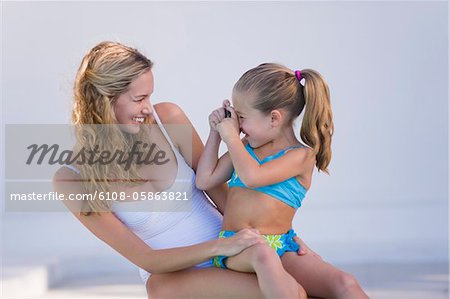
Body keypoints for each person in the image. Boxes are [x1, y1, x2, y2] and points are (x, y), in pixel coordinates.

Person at [52, 41, 365, 299]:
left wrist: (280, 238)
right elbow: (144, 258)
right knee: (294, 293)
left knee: (342, 286)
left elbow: (227, 194)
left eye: (151, 95)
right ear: (104, 101)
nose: (149, 107)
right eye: (140, 98)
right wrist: (221, 246)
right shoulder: (73, 179)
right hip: (178, 277)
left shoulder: (167, 119)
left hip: (239, 250)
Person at [196, 63, 369, 299]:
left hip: (281, 246)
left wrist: (231, 138)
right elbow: (205, 180)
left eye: (242, 118)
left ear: (274, 118)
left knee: (344, 283)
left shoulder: (301, 156)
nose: (238, 126)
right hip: (237, 246)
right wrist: (216, 133)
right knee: (264, 256)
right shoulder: (245, 147)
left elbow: (253, 177)